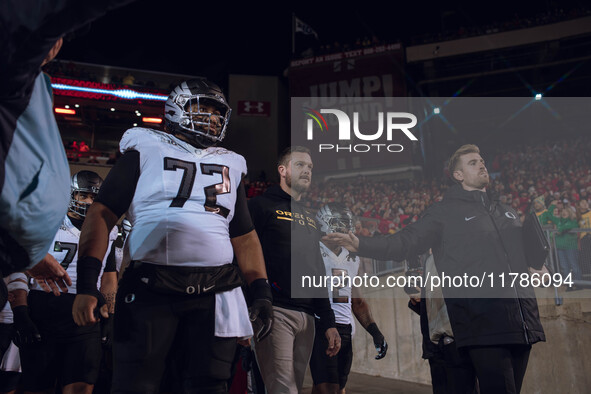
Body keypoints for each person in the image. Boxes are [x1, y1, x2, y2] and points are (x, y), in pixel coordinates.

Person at [72, 79, 272, 394]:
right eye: (201, 107)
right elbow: (101, 215)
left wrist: (261, 291)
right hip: (152, 287)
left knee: (209, 385)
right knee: (138, 385)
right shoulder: (146, 146)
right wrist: (87, 284)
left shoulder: (230, 163)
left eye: (216, 111)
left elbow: (245, 236)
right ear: (175, 109)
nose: (210, 117)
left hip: (216, 290)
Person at [326, 144, 545, 394]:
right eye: (473, 162)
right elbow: (404, 242)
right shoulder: (443, 213)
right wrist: (360, 244)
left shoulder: (507, 211)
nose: (482, 164)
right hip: (483, 325)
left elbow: (522, 259)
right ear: (458, 175)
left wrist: (539, 262)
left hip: (521, 326)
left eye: (482, 160)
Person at [0, 0, 136, 303]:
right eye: (59, 35)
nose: (60, 42)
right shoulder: (12, 76)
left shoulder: (32, 85)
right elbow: (24, 24)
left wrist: (31, 254)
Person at [13, 170, 118, 394]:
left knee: (81, 387)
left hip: (87, 314)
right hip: (43, 309)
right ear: (70, 195)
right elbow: (20, 269)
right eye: (83, 196)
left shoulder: (108, 228)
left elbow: (109, 275)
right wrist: (21, 312)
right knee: (37, 387)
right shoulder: (46, 222)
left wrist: (110, 313)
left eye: (94, 197)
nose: (89, 202)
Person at [248, 146, 340, 394]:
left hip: (307, 316)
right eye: (300, 165)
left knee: (293, 387)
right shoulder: (259, 206)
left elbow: (317, 269)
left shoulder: (309, 216)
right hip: (275, 310)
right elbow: (243, 256)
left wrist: (328, 321)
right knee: (282, 389)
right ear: (283, 170)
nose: (307, 171)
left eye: (310, 167)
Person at [310, 204, 388, 394]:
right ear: (324, 222)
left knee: (338, 387)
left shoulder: (351, 256)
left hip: (345, 329)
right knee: (328, 388)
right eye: (339, 223)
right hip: (321, 326)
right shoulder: (311, 250)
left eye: (347, 224)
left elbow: (356, 300)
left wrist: (375, 331)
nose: (345, 229)